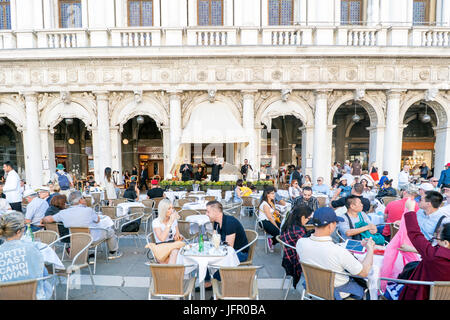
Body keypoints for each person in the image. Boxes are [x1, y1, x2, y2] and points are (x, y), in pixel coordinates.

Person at [297, 207, 375, 300]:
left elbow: (320, 253)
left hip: (313, 287)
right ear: (331, 225)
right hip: (338, 292)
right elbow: (364, 272)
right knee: (369, 287)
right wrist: (370, 249)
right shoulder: (338, 252)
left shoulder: (301, 243)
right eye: (335, 223)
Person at [41, 191, 122, 259]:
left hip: (75, 240)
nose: (84, 199)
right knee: (110, 231)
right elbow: (97, 220)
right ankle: (113, 252)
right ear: (80, 200)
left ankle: (87, 254)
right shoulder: (88, 210)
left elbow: (48, 219)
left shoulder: (63, 213)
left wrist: (42, 220)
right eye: (83, 198)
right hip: (91, 239)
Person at [399, 198, 450, 300]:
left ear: (446, 243)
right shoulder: (433, 254)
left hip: (421, 295)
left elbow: (415, 234)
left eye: (437, 238)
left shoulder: (433, 256)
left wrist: (410, 210)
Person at [0, 211, 54, 299]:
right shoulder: (32, 248)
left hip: (5, 296)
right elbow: (44, 274)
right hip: (33, 296)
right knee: (48, 282)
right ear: (18, 231)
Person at [202, 200, 250, 290]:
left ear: (216, 212)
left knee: (217, 273)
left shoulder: (229, 222)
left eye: (208, 211)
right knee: (204, 258)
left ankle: (225, 289)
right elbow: (214, 240)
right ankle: (208, 283)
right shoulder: (216, 222)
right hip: (226, 250)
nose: (206, 214)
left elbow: (229, 248)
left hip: (239, 252)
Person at [279, 205, 313, 289]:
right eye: (308, 218)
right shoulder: (298, 230)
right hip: (296, 261)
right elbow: (306, 247)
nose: (308, 221)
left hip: (288, 258)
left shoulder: (289, 224)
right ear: (302, 217)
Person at [151, 199, 183, 263]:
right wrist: (170, 222)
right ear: (163, 210)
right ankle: (172, 271)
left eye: (172, 208)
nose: (172, 210)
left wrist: (178, 237)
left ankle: (170, 271)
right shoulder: (156, 222)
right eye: (169, 208)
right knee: (176, 255)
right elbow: (162, 238)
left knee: (176, 253)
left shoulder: (174, 221)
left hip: (172, 246)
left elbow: (177, 236)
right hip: (161, 248)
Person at [258, 186, 281, 252]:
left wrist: (275, 211)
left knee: (284, 230)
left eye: (274, 193)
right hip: (265, 222)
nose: (274, 195)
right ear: (267, 194)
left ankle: (272, 241)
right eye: (272, 193)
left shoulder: (270, 202)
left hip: (270, 220)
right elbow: (270, 218)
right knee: (279, 232)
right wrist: (277, 227)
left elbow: (272, 212)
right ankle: (272, 241)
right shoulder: (265, 204)